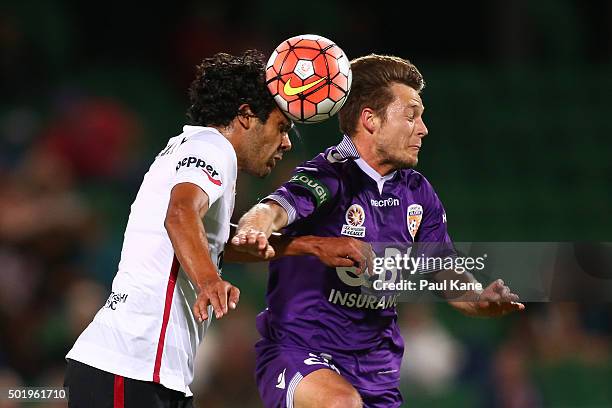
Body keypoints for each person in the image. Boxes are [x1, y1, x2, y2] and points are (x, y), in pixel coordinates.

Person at [63, 50, 371, 408]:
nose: (286, 143)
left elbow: (220, 241)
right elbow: (179, 215)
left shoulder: (191, 148)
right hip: (130, 365)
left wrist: (313, 247)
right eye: (281, 127)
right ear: (245, 116)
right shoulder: (212, 148)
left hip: (147, 371)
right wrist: (210, 281)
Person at [232, 54, 525, 408]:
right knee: (341, 404)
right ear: (370, 119)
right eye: (411, 115)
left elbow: (443, 271)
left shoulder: (418, 193)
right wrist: (255, 226)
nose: (423, 128)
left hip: (376, 371)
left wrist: (479, 299)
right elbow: (275, 209)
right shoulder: (329, 175)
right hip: (301, 355)